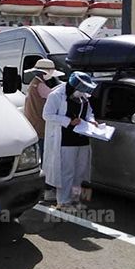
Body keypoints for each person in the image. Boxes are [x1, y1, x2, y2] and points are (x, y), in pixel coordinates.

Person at [42, 71, 98, 210]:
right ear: (73, 86)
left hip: (82, 138)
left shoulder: (84, 97)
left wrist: (92, 121)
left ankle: (75, 198)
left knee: (79, 171)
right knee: (67, 172)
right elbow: (47, 114)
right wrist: (68, 121)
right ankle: (63, 201)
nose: (83, 92)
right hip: (66, 140)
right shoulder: (56, 95)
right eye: (81, 89)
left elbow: (89, 111)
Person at [23, 59, 63, 202]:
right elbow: (55, 96)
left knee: (40, 160)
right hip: (41, 127)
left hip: (33, 125)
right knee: (46, 160)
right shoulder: (41, 86)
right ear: (45, 73)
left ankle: (39, 190)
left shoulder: (33, 84)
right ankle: (45, 190)